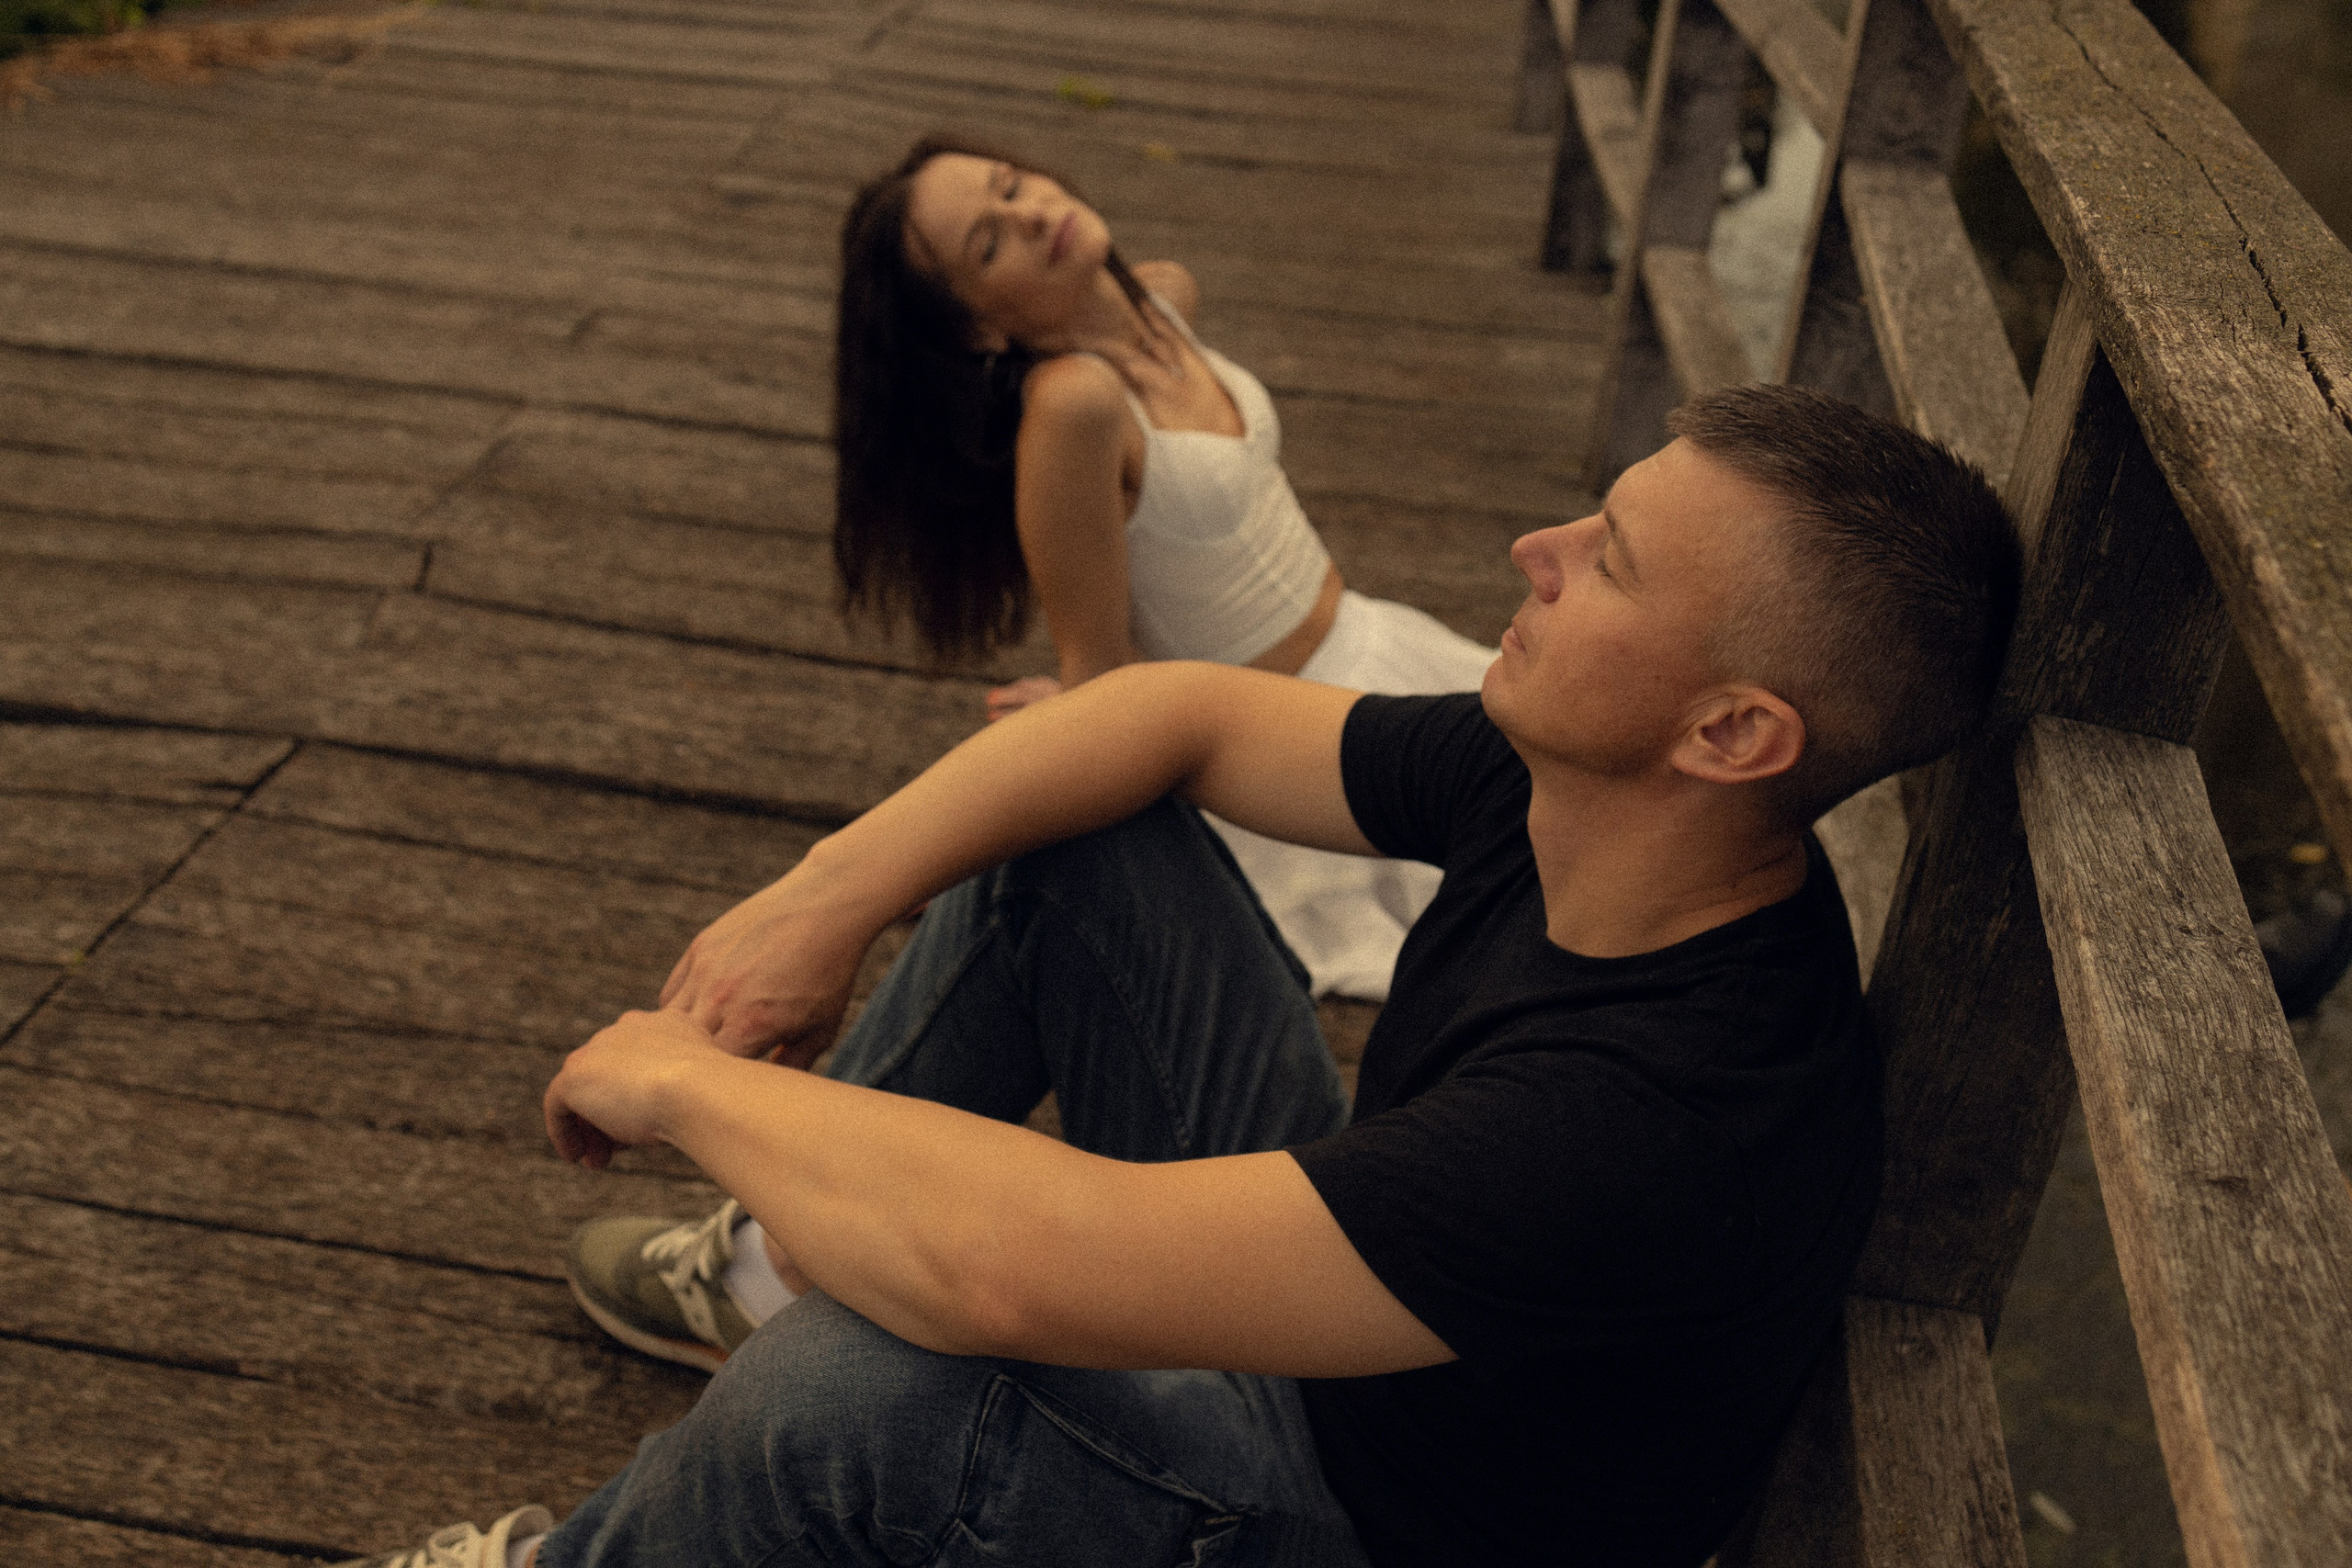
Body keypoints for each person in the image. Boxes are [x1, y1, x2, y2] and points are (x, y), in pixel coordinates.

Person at [337, 385, 2020, 1568]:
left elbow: (1012, 1275)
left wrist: (698, 1083)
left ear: (1734, 732)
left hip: (1357, 1516)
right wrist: (824, 897)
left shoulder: (1659, 1121)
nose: (1535, 546)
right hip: (1351, 1326)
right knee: (1085, 838)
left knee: (862, 1392)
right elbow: (1177, 712)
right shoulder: (1586, 787)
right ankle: (796, 1253)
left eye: (1614, 561)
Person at [834, 132, 1495, 1001]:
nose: (1034, 216)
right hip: (1278, 737)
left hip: (1377, 647)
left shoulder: (1164, 299)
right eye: (990, 242)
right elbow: (1099, 668)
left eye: (1013, 185)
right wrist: (1064, 727)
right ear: (976, 325)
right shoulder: (1075, 407)